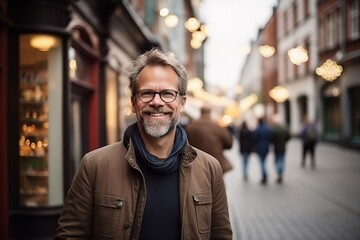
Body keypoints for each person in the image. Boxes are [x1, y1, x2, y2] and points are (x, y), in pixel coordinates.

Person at [54, 48, 232, 239]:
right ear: (133, 102)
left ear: (182, 102)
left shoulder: (210, 169)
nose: (157, 102)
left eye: (167, 93)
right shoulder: (95, 165)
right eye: (146, 93)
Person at [185, 104, 233, 174]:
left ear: (201, 112)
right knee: (216, 184)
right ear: (210, 112)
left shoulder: (190, 126)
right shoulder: (218, 126)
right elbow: (229, 144)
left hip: (197, 164)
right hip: (215, 163)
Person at [271, 114, 291, 183]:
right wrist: (285, 141)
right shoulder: (284, 129)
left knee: (277, 161)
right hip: (283, 148)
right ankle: (281, 173)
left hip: (276, 148)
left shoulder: (274, 130)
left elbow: (271, 139)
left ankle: (278, 173)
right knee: (282, 160)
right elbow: (289, 136)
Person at [252, 117, 272, 184]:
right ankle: (265, 175)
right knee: (264, 162)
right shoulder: (267, 128)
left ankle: (264, 176)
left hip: (259, 149)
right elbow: (270, 138)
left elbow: (254, 138)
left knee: (262, 163)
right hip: (266, 148)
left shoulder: (258, 129)